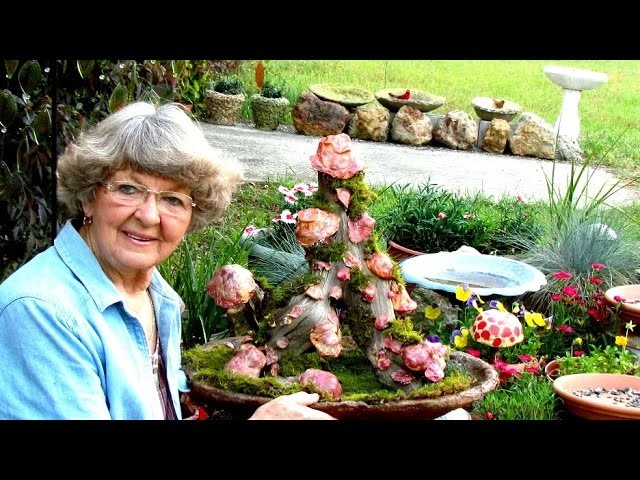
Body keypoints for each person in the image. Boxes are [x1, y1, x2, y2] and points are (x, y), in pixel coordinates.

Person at [0, 101, 335, 420]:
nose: (148, 216)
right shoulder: (41, 311)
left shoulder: (151, 293)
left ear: (194, 214)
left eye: (173, 200)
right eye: (128, 189)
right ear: (89, 196)